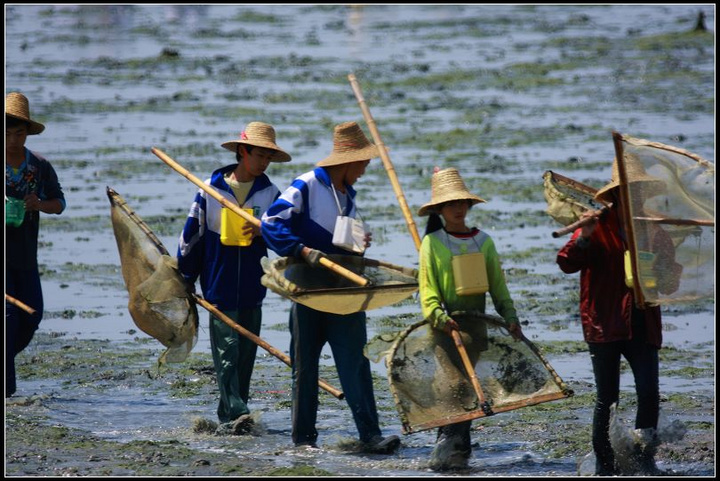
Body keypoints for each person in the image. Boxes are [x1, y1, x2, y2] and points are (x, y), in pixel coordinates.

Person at [261, 121, 401, 454]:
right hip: (308, 293)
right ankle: (303, 441)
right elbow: (271, 222)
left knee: (355, 364)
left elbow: (346, 244)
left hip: (344, 295)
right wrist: (302, 250)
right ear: (348, 161)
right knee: (305, 367)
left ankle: (370, 435)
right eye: (364, 163)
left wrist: (360, 243)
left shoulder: (348, 197)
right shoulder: (307, 185)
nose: (366, 170)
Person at [556, 154, 680, 475]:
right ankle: (606, 467)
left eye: (639, 191)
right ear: (615, 196)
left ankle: (643, 460)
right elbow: (566, 262)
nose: (634, 197)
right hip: (604, 323)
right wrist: (584, 236)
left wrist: (662, 269)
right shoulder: (596, 226)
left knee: (649, 394)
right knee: (606, 398)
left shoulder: (653, 230)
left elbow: (669, 282)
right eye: (628, 191)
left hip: (643, 321)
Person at [177, 121, 291, 434]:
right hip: (219, 286)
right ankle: (239, 413)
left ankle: (229, 418)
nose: (264, 162)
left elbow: (284, 237)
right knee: (226, 355)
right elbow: (192, 235)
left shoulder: (271, 194)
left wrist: (263, 230)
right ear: (243, 151)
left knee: (244, 359)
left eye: (269, 157)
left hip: (254, 288)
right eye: (260, 155)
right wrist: (185, 275)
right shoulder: (210, 189)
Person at [417, 167, 523, 471]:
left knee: (469, 390)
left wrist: (510, 317)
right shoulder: (432, 243)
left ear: (470, 205)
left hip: (475, 328)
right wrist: (438, 315)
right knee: (450, 389)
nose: (458, 208)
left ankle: (459, 454)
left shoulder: (484, 242)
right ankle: (445, 452)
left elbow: (498, 288)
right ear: (439, 209)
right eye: (451, 204)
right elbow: (427, 288)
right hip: (445, 328)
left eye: (462, 202)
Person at [5, 92, 66, 398]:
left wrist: (39, 204)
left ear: (27, 133)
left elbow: (60, 203)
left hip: (26, 255)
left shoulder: (39, 166)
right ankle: (7, 391)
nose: (13, 140)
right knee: (7, 318)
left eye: (18, 133)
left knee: (31, 317)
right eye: (7, 133)